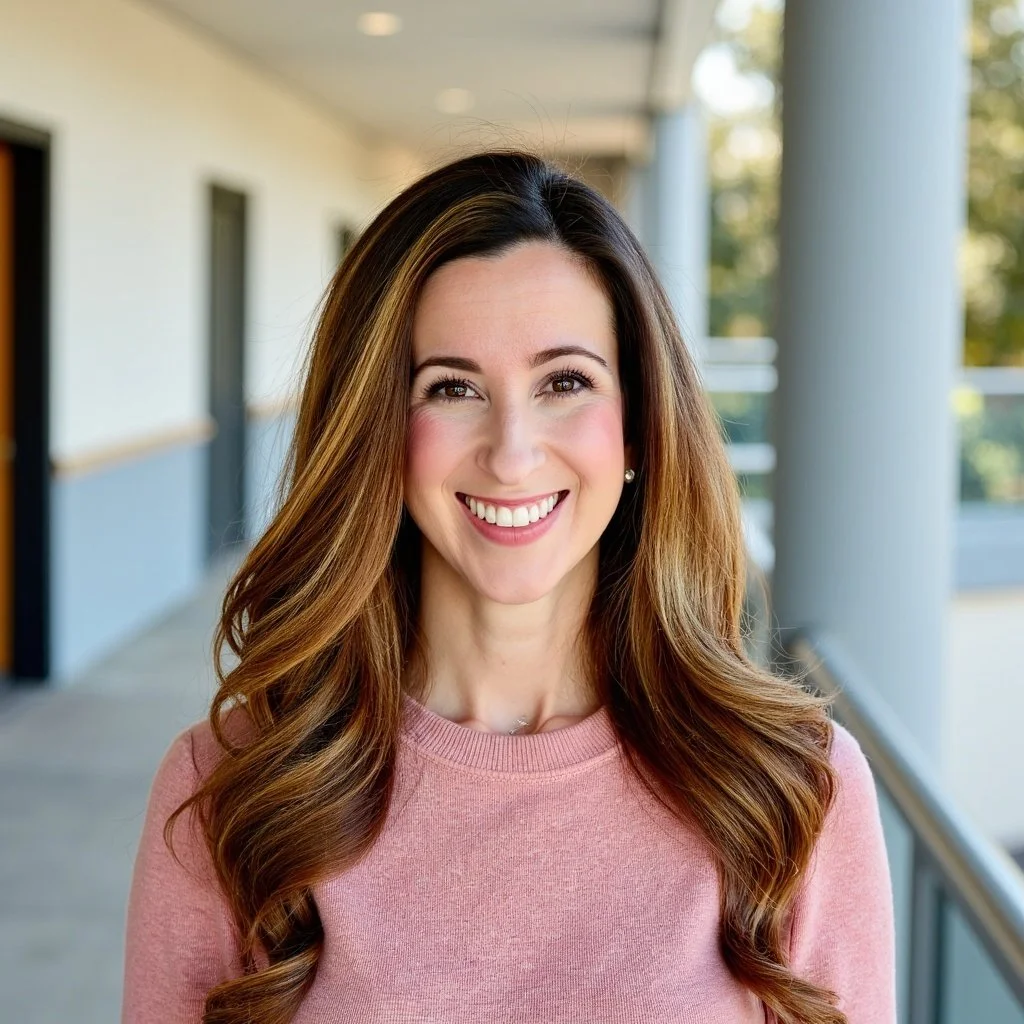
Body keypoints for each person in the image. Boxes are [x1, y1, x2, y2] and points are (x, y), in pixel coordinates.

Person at [121, 150, 895, 1024]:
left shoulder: (796, 788)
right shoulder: (236, 786)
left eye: (565, 382)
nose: (512, 453)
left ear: (638, 427)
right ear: (379, 431)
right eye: (452, 388)